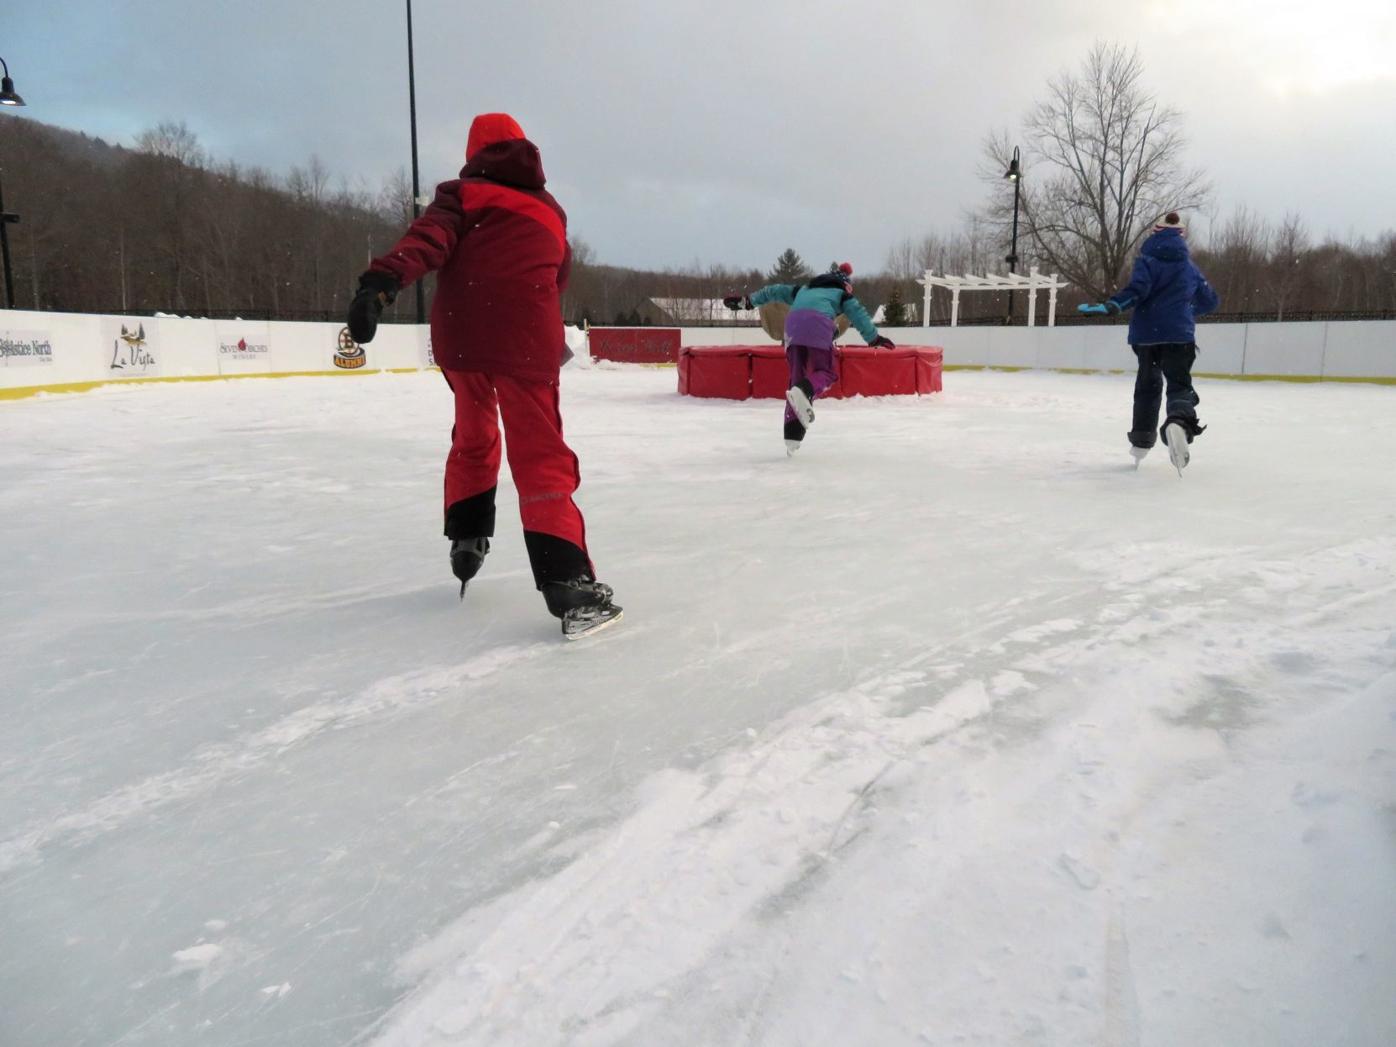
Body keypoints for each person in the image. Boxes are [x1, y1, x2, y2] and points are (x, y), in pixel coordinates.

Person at [345, 112, 621, 639]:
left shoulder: (462, 194)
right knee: (540, 454)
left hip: (464, 336)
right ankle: (568, 582)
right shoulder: (550, 210)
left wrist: (381, 282)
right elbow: (560, 276)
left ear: (474, 154)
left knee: (473, 432)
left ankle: (468, 535)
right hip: (526, 341)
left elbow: (428, 239)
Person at [1077, 211, 1220, 470]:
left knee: (1148, 386)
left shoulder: (1147, 261)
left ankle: (1141, 440)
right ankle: (1178, 421)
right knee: (1178, 385)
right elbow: (1210, 300)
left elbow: (1138, 291)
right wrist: (1184, 310)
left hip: (1146, 338)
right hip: (1179, 336)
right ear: (1181, 236)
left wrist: (1112, 305)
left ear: (1154, 233)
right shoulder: (1190, 268)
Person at [724, 262, 894, 455]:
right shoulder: (841, 294)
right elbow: (858, 313)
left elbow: (775, 291)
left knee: (796, 379)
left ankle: (792, 434)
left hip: (793, 327)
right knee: (826, 373)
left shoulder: (803, 290)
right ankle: (804, 390)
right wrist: (873, 338)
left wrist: (747, 301)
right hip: (819, 325)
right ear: (844, 285)